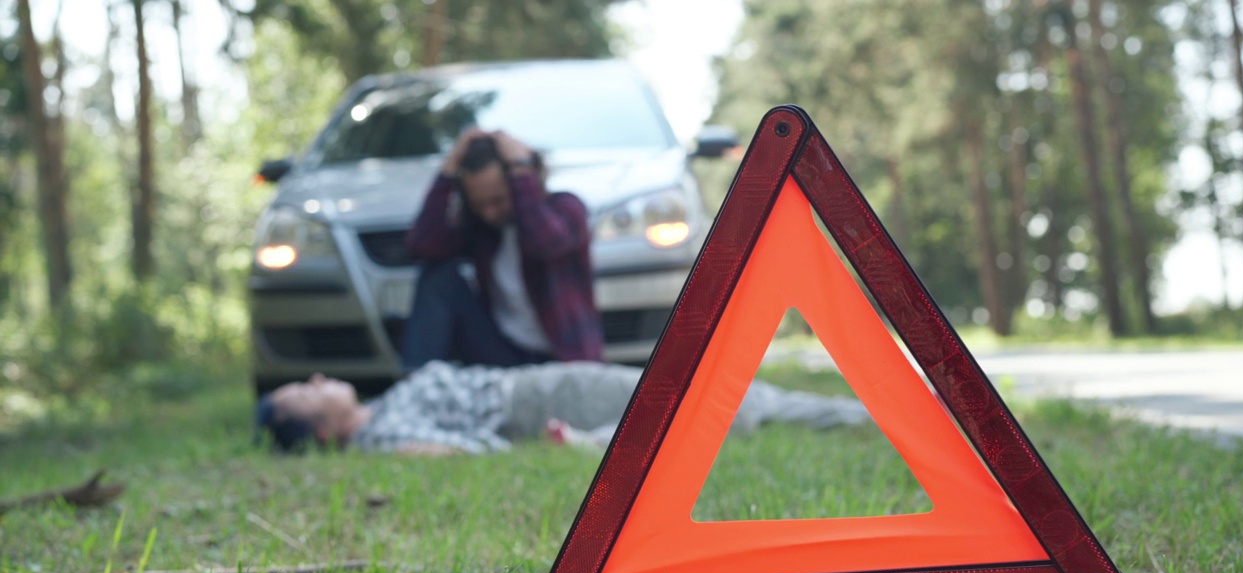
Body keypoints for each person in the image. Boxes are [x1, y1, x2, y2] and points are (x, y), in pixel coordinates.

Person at [255, 361, 872, 455]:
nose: (315, 378)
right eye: (305, 392)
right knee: (715, 399)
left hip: (545, 383)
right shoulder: (379, 435)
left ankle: (880, 412)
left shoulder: (382, 404)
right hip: (541, 398)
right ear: (324, 428)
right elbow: (460, 450)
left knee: (707, 392)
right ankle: (889, 414)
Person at [399, 128, 603, 371]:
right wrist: (447, 172)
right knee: (437, 276)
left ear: (523, 181)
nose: (489, 213)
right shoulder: (484, 230)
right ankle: (417, 389)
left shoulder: (568, 209)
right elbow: (424, 246)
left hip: (563, 359)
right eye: (479, 204)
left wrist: (520, 169)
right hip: (503, 354)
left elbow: (543, 242)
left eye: (498, 200)